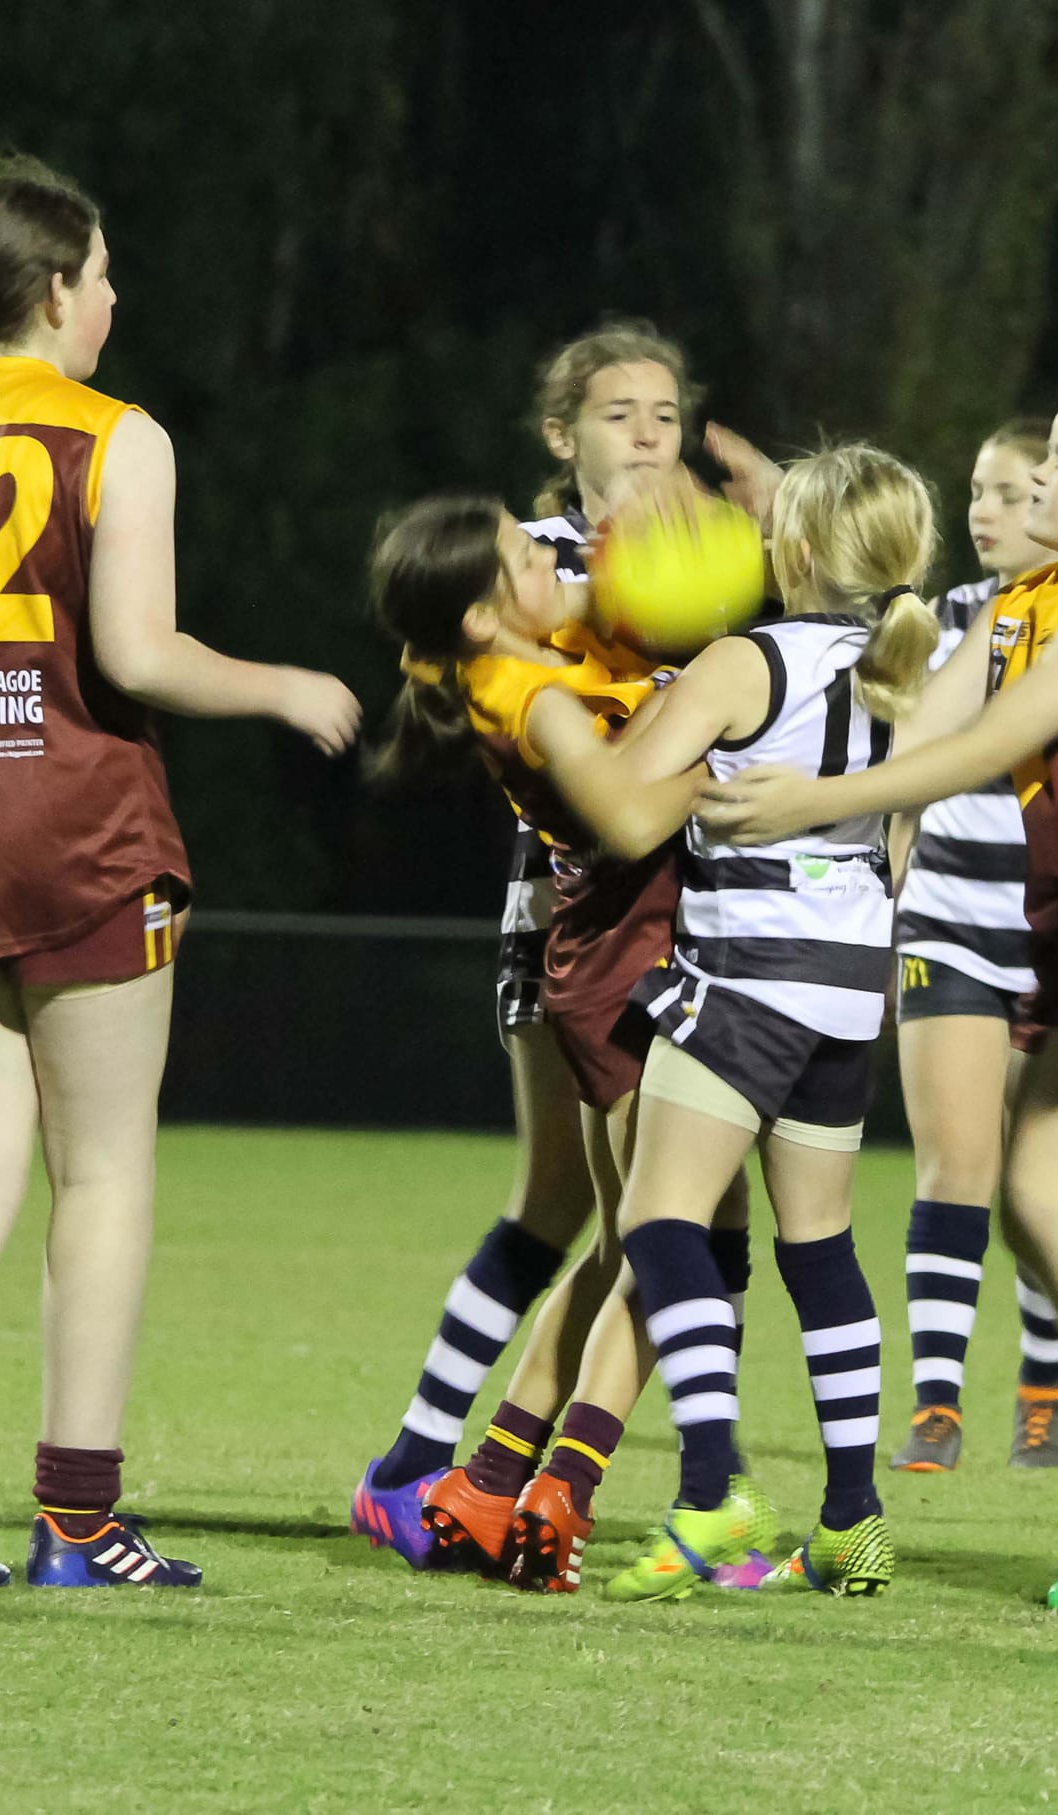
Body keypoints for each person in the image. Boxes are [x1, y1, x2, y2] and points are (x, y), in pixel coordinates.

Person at [0, 154, 359, 1587]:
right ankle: (77, 1518)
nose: (115, 298)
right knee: (106, 1172)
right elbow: (136, 654)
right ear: (56, 287)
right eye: (105, 273)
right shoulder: (118, 433)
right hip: (76, 823)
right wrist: (282, 684)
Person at [699, 371, 1058, 1612]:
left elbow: (988, 749)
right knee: (1027, 1200)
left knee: (1044, 1187)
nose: (1037, 475)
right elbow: (910, 733)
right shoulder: (1019, 599)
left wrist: (807, 805)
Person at [350, 325, 758, 1580]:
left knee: (625, 1215)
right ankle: (458, 1473)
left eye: (664, 412)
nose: (647, 433)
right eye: (616, 413)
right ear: (559, 438)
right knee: (603, 1209)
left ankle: (471, 1472)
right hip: (581, 910)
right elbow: (645, 742)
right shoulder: (543, 583)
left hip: (653, 910)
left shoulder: (642, 567)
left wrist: (758, 536)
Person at [530, 442, 943, 1600]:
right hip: (849, 983)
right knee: (820, 1249)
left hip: (746, 969)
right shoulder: (912, 668)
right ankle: (854, 1518)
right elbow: (898, 852)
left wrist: (561, 712)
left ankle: (710, 1496)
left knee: (664, 1228)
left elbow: (621, 809)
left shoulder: (743, 659)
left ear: (794, 551)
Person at [886, 416, 1058, 1475]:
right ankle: (936, 1406)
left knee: (1041, 1180)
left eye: (1011, 491)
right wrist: (889, 890)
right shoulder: (941, 623)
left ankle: (1043, 1390)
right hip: (949, 922)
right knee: (952, 1165)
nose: (986, 511)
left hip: (1057, 927)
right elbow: (898, 773)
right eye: (975, 490)